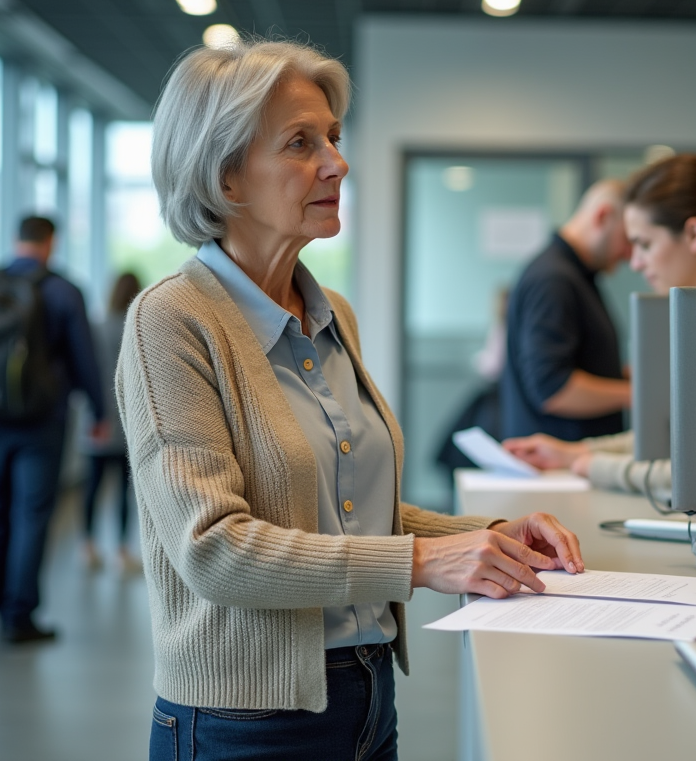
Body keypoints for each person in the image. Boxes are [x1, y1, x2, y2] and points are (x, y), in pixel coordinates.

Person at [125, 38, 584, 760]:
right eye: (301, 143)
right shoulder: (172, 320)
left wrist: (489, 534)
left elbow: (344, 510)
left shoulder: (331, 312)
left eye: (334, 138)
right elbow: (211, 550)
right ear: (227, 179)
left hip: (367, 698)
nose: (337, 163)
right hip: (245, 722)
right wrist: (421, 564)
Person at [504, 153, 696, 500]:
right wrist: (576, 453)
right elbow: (679, 443)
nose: (635, 262)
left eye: (645, 244)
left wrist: (591, 464)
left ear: (694, 234)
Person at [0, 216, 107, 643]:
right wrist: (99, 411)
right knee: (33, 512)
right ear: (50, 243)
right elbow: (83, 357)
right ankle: (19, 615)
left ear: (15, 239)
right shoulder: (62, 289)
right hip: (42, 418)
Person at [499, 179, 632, 443]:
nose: (631, 255)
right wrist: (637, 394)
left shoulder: (574, 276)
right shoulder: (554, 279)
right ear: (603, 216)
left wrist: (625, 376)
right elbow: (553, 389)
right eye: (628, 239)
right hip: (557, 471)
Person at [81, 272, 142, 571]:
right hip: (127, 422)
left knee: (91, 486)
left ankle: (88, 547)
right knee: (122, 489)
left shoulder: (94, 328)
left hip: (96, 420)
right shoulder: (138, 329)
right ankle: (120, 551)